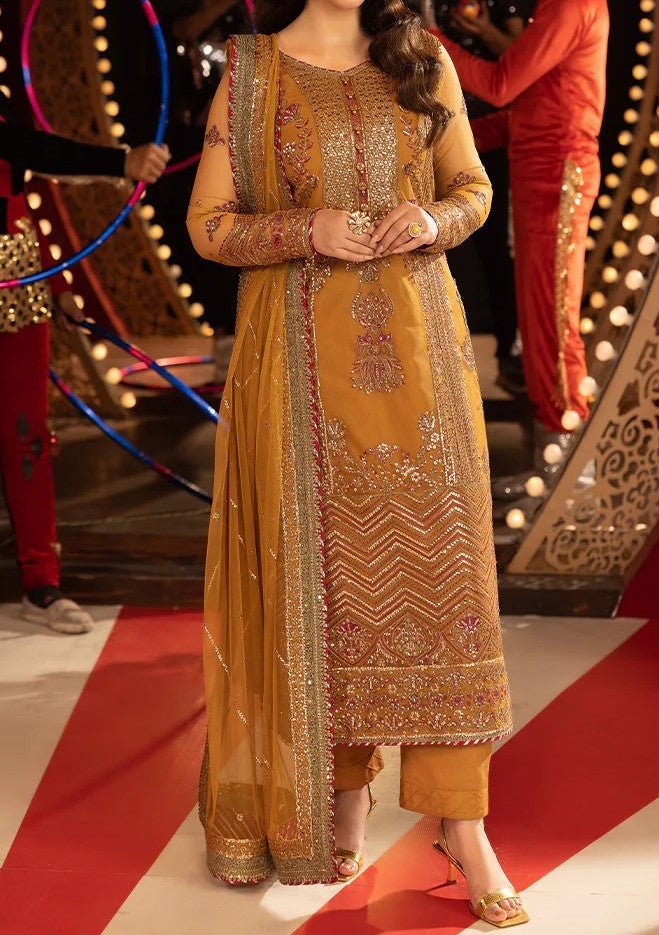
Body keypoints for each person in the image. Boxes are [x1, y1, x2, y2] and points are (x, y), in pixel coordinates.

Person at [188, 0, 527, 927]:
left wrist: (431, 216)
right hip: (299, 373)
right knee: (327, 583)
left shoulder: (422, 58)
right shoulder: (252, 71)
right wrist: (305, 229)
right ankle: (342, 789)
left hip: (421, 360)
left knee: (444, 581)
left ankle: (462, 823)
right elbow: (209, 224)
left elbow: (473, 190)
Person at [0, 90, 169, 634]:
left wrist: (54, 281)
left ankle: (41, 582)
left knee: (26, 436)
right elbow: (25, 147)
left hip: (15, 282)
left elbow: (22, 186)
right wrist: (120, 163)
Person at [430, 0, 609, 486]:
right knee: (537, 314)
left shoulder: (573, 5)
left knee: (551, 313)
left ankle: (568, 466)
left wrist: (431, 39)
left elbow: (501, 85)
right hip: (540, 172)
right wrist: (451, 143)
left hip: (558, 175)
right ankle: (553, 461)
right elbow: (533, 106)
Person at [423, 0, 535, 395]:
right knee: (424, 242)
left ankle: (511, 354)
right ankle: (428, 361)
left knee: (496, 250)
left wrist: (484, 30)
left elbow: (520, 61)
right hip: (423, 132)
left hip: (485, 133)